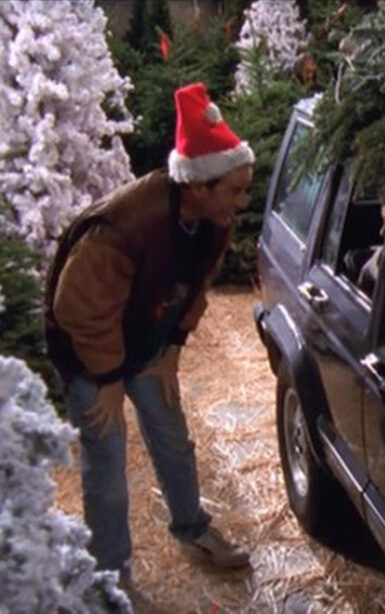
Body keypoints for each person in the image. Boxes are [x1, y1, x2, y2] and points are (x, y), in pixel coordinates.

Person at [43, 83, 254, 584]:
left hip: (145, 339)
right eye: (236, 190)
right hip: (88, 350)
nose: (243, 202)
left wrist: (172, 349)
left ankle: (192, 527)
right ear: (198, 185)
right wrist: (109, 379)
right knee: (108, 467)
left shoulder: (211, 221)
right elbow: (77, 307)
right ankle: (111, 578)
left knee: (172, 438)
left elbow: (195, 285)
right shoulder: (125, 228)